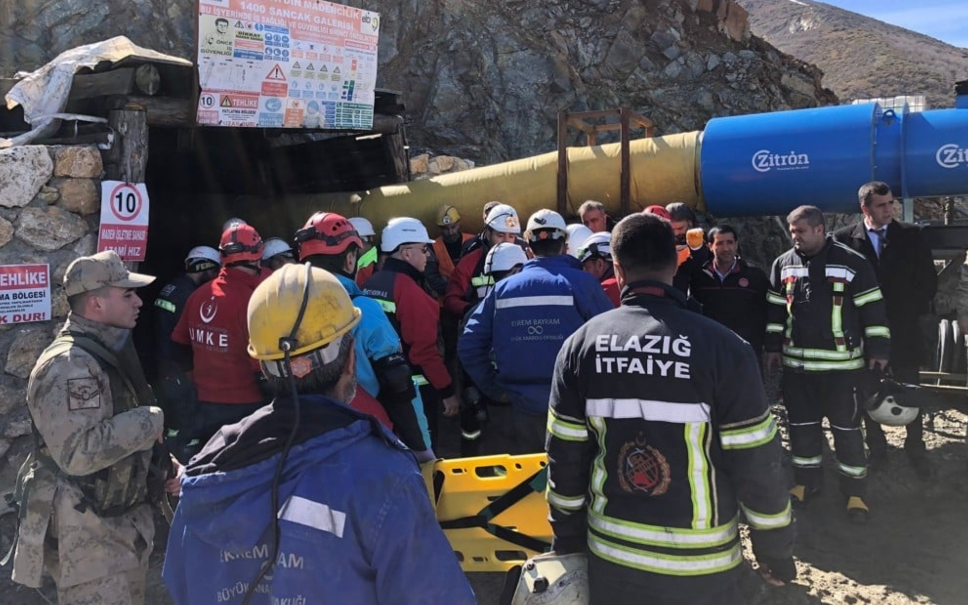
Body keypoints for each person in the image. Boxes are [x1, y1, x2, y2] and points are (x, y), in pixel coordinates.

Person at [162, 264, 476, 605]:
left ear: (263, 365)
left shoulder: (210, 468)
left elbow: (182, 585)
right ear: (351, 359)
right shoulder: (384, 476)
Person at [545, 214, 796, 605]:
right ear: (677, 261)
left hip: (612, 562)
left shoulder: (581, 346)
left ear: (617, 269)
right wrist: (774, 549)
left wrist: (567, 541)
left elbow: (564, 458)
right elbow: (758, 462)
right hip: (702, 570)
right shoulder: (725, 349)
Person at [8, 250, 178, 605]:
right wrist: (150, 420)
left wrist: (162, 462)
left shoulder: (106, 351)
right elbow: (77, 452)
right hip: (88, 546)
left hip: (118, 533)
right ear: (96, 303)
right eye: (127, 294)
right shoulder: (69, 365)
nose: (138, 301)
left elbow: (118, 429)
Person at [766, 205, 890, 524]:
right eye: (792, 233)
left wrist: (878, 349)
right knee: (802, 431)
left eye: (801, 232)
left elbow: (873, 311)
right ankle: (807, 483)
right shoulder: (783, 264)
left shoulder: (852, 263)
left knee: (847, 432)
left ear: (820, 229)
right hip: (798, 371)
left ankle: (855, 493)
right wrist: (772, 348)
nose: (796, 239)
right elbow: (776, 313)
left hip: (842, 371)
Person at [459, 209, 613, 453]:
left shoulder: (503, 289)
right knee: (575, 480)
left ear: (528, 248)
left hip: (519, 411)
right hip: (576, 408)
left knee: (527, 484)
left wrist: (495, 389)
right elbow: (612, 342)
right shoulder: (584, 285)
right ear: (565, 246)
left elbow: (469, 344)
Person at [296, 211, 433, 460]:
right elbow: (398, 382)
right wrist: (422, 449)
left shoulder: (286, 312)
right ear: (350, 260)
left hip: (307, 436)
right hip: (368, 435)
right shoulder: (362, 309)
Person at [833, 181, 937, 473]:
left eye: (891, 203)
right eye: (882, 205)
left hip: (904, 328)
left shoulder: (912, 235)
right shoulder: (843, 240)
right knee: (868, 388)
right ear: (865, 208)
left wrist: (907, 311)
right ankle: (877, 449)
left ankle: (916, 449)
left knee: (910, 388)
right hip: (864, 331)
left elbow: (928, 281)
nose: (889, 209)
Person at [171, 223, 269, 457]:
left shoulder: (199, 295)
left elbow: (179, 346)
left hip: (205, 406)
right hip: (247, 410)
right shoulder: (255, 301)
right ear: (257, 258)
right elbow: (263, 369)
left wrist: (198, 380)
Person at [363, 218, 460, 451]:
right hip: (414, 393)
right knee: (423, 450)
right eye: (423, 249)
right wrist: (447, 391)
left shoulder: (372, 283)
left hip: (376, 388)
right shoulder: (410, 291)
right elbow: (424, 351)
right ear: (406, 253)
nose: (427, 256)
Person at [456, 241, 529, 456]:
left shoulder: (476, 312)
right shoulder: (526, 309)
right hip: (514, 404)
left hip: (490, 398)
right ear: (517, 269)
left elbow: (466, 361)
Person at [153, 245, 221, 459]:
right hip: (178, 365)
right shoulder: (189, 296)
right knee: (185, 414)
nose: (215, 277)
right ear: (205, 267)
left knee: (173, 413)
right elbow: (189, 336)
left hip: (163, 361)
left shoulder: (172, 287)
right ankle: (180, 460)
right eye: (214, 271)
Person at [689, 224, 770, 359]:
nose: (726, 248)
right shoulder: (698, 277)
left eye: (730, 242)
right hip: (708, 349)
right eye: (720, 243)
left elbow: (766, 311)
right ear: (710, 246)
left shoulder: (754, 276)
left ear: (736, 244)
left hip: (744, 350)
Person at [444, 202, 523, 321]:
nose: (506, 242)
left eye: (511, 236)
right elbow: (451, 299)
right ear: (488, 233)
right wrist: (472, 311)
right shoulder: (470, 262)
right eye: (500, 235)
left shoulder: (525, 258)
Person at [429, 204, 474, 295]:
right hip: (446, 300)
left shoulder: (473, 242)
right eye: (445, 229)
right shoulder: (432, 247)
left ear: (459, 224)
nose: (450, 232)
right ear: (439, 228)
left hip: (472, 296)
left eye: (453, 227)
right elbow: (432, 279)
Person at [666, 202, 710, 294]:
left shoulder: (701, 237)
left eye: (680, 228)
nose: (676, 233)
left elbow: (704, 265)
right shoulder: (663, 238)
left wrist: (697, 248)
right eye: (672, 229)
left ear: (690, 222)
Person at [577, 231, 620, 307]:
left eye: (586, 267)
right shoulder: (625, 283)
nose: (583, 272)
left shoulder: (605, 289)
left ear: (599, 264)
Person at [348, 216, 378, 288]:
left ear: (370, 239)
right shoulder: (352, 262)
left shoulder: (376, 265)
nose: (355, 245)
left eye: (360, 239)